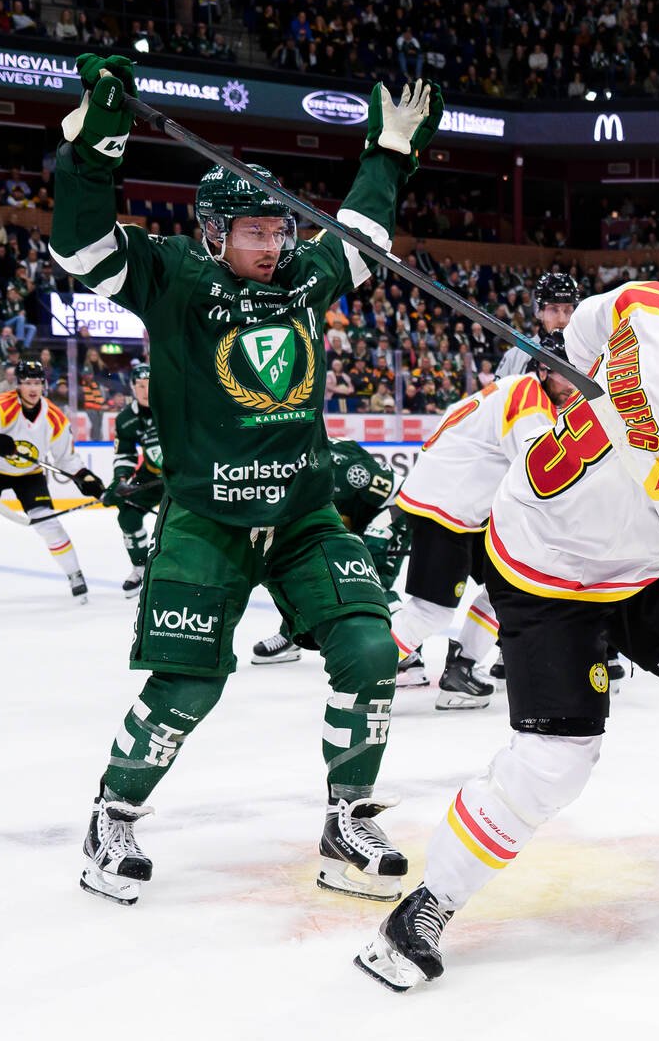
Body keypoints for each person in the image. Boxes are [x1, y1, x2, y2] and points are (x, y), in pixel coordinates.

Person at [354, 271, 659, 991]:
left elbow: (590, 321)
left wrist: (576, 368)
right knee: (557, 759)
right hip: (547, 570)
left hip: (632, 559)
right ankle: (425, 906)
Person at [48, 52, 443, 906]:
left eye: (282, 231)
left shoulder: (305, 277)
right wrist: (98, 149)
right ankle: (111, 816)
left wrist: (387, 154)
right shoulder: (173, 278)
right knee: (189, 681)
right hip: (207, 520)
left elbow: (365, 239)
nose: (275, 246)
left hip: (303, 516)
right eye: (256, 233)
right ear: (214, 235)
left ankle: (347, 819)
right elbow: (80, 244)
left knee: (370, 648)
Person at [377, 363, 560, 710]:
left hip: (460, 507)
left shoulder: (511, 388)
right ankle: (366, 674)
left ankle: (461, 670)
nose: (573, 385)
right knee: (431, 611)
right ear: (545, 371)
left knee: (508, 586)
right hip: (448, 507)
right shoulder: (529, 396)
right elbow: (540, 471)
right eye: (567, 375)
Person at [0, 358, 105, 605]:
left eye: (37, 382)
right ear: (18, 385)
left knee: (49, 524)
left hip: (28, 475)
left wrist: (87, 479)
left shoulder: (55, 418)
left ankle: (75, 574)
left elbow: (67, 459)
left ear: (44, 385)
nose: (33, 389)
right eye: (27, 383)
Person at [249, 437, 399, 665]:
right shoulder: (282, 464)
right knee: (298, 570)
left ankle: (410, 655)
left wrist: (377, 532)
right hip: (346, 521)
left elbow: (399, 494)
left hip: (388, 515)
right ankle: (292, 634)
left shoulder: (347, 468)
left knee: (371, 583)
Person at [107, 360, 164, 596]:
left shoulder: (175, 407)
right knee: (127, 514)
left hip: (182, 476)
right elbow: (125, 454)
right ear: (132, 387)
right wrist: (121, 480)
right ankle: (140, 568)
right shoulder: (126, 419)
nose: (145, 390)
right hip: (151, 476)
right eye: (140, 385)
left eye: (150, 384)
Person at [495, 271, 581, 382]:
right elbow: (496, 396)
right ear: (539, 312)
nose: (562, 319)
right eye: (553, 309)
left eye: (568, 310)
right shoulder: (515, 356)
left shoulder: (587, 356)